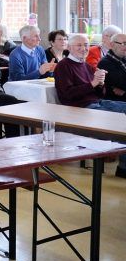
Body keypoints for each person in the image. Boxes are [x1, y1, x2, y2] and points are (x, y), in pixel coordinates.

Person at [54, 34, 126, 177]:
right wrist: (93, 83)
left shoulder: (86, 66)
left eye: (86, 45)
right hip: (78, 108)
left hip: (96, 102)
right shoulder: (63, 66)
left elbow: (99, 94)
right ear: (69, 48)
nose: (84, 48)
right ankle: (123, 168)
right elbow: (68, 95)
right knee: (120, 122)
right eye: (79, 45)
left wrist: (100, 84)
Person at [99, 33, 126, 102]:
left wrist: (124, 93)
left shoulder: (123, 58)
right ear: (112, 45)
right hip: (116, 101)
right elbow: (123, 84)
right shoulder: (105, 63)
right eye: (124, 43)